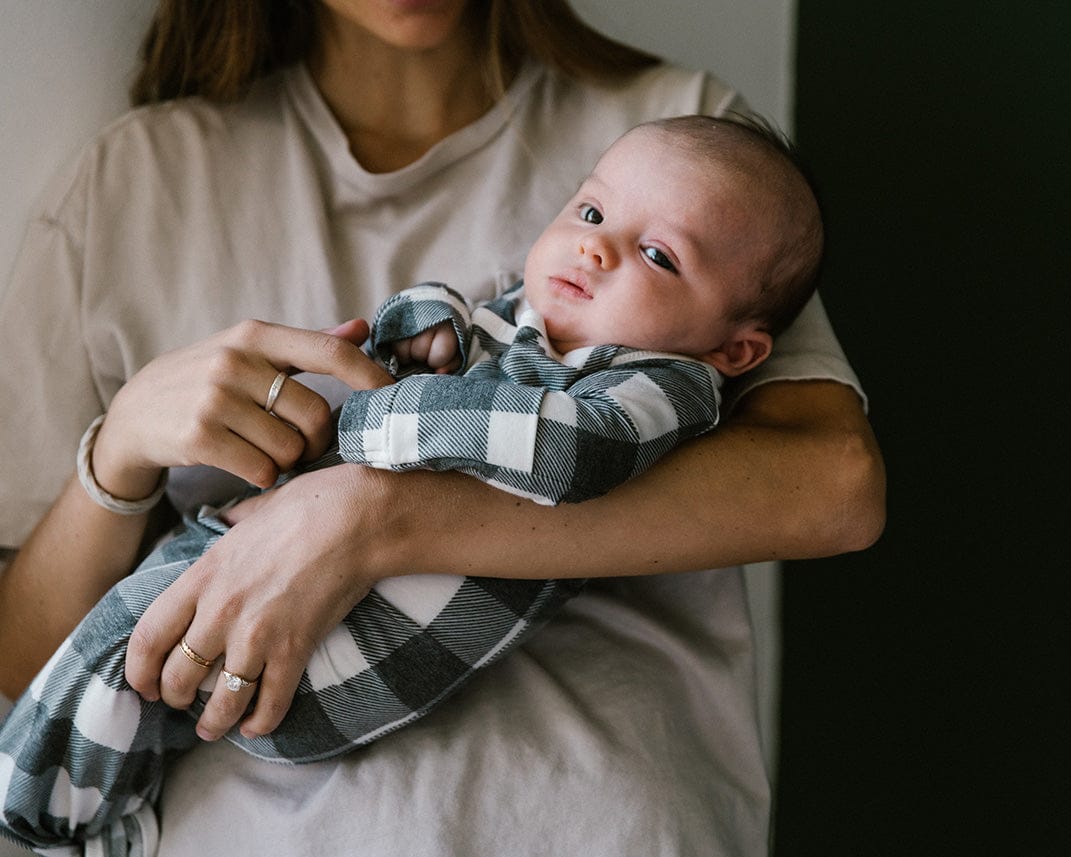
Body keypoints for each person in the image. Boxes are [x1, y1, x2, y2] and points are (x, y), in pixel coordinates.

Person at [0, 2, 885, 856]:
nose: (600, 247)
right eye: (587, 217)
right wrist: (118, 451)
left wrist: (369, 517)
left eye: (654, 256)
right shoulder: (127, 186)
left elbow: (835, 488)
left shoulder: (685, 143)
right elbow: (21, 663)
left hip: (601, 825)